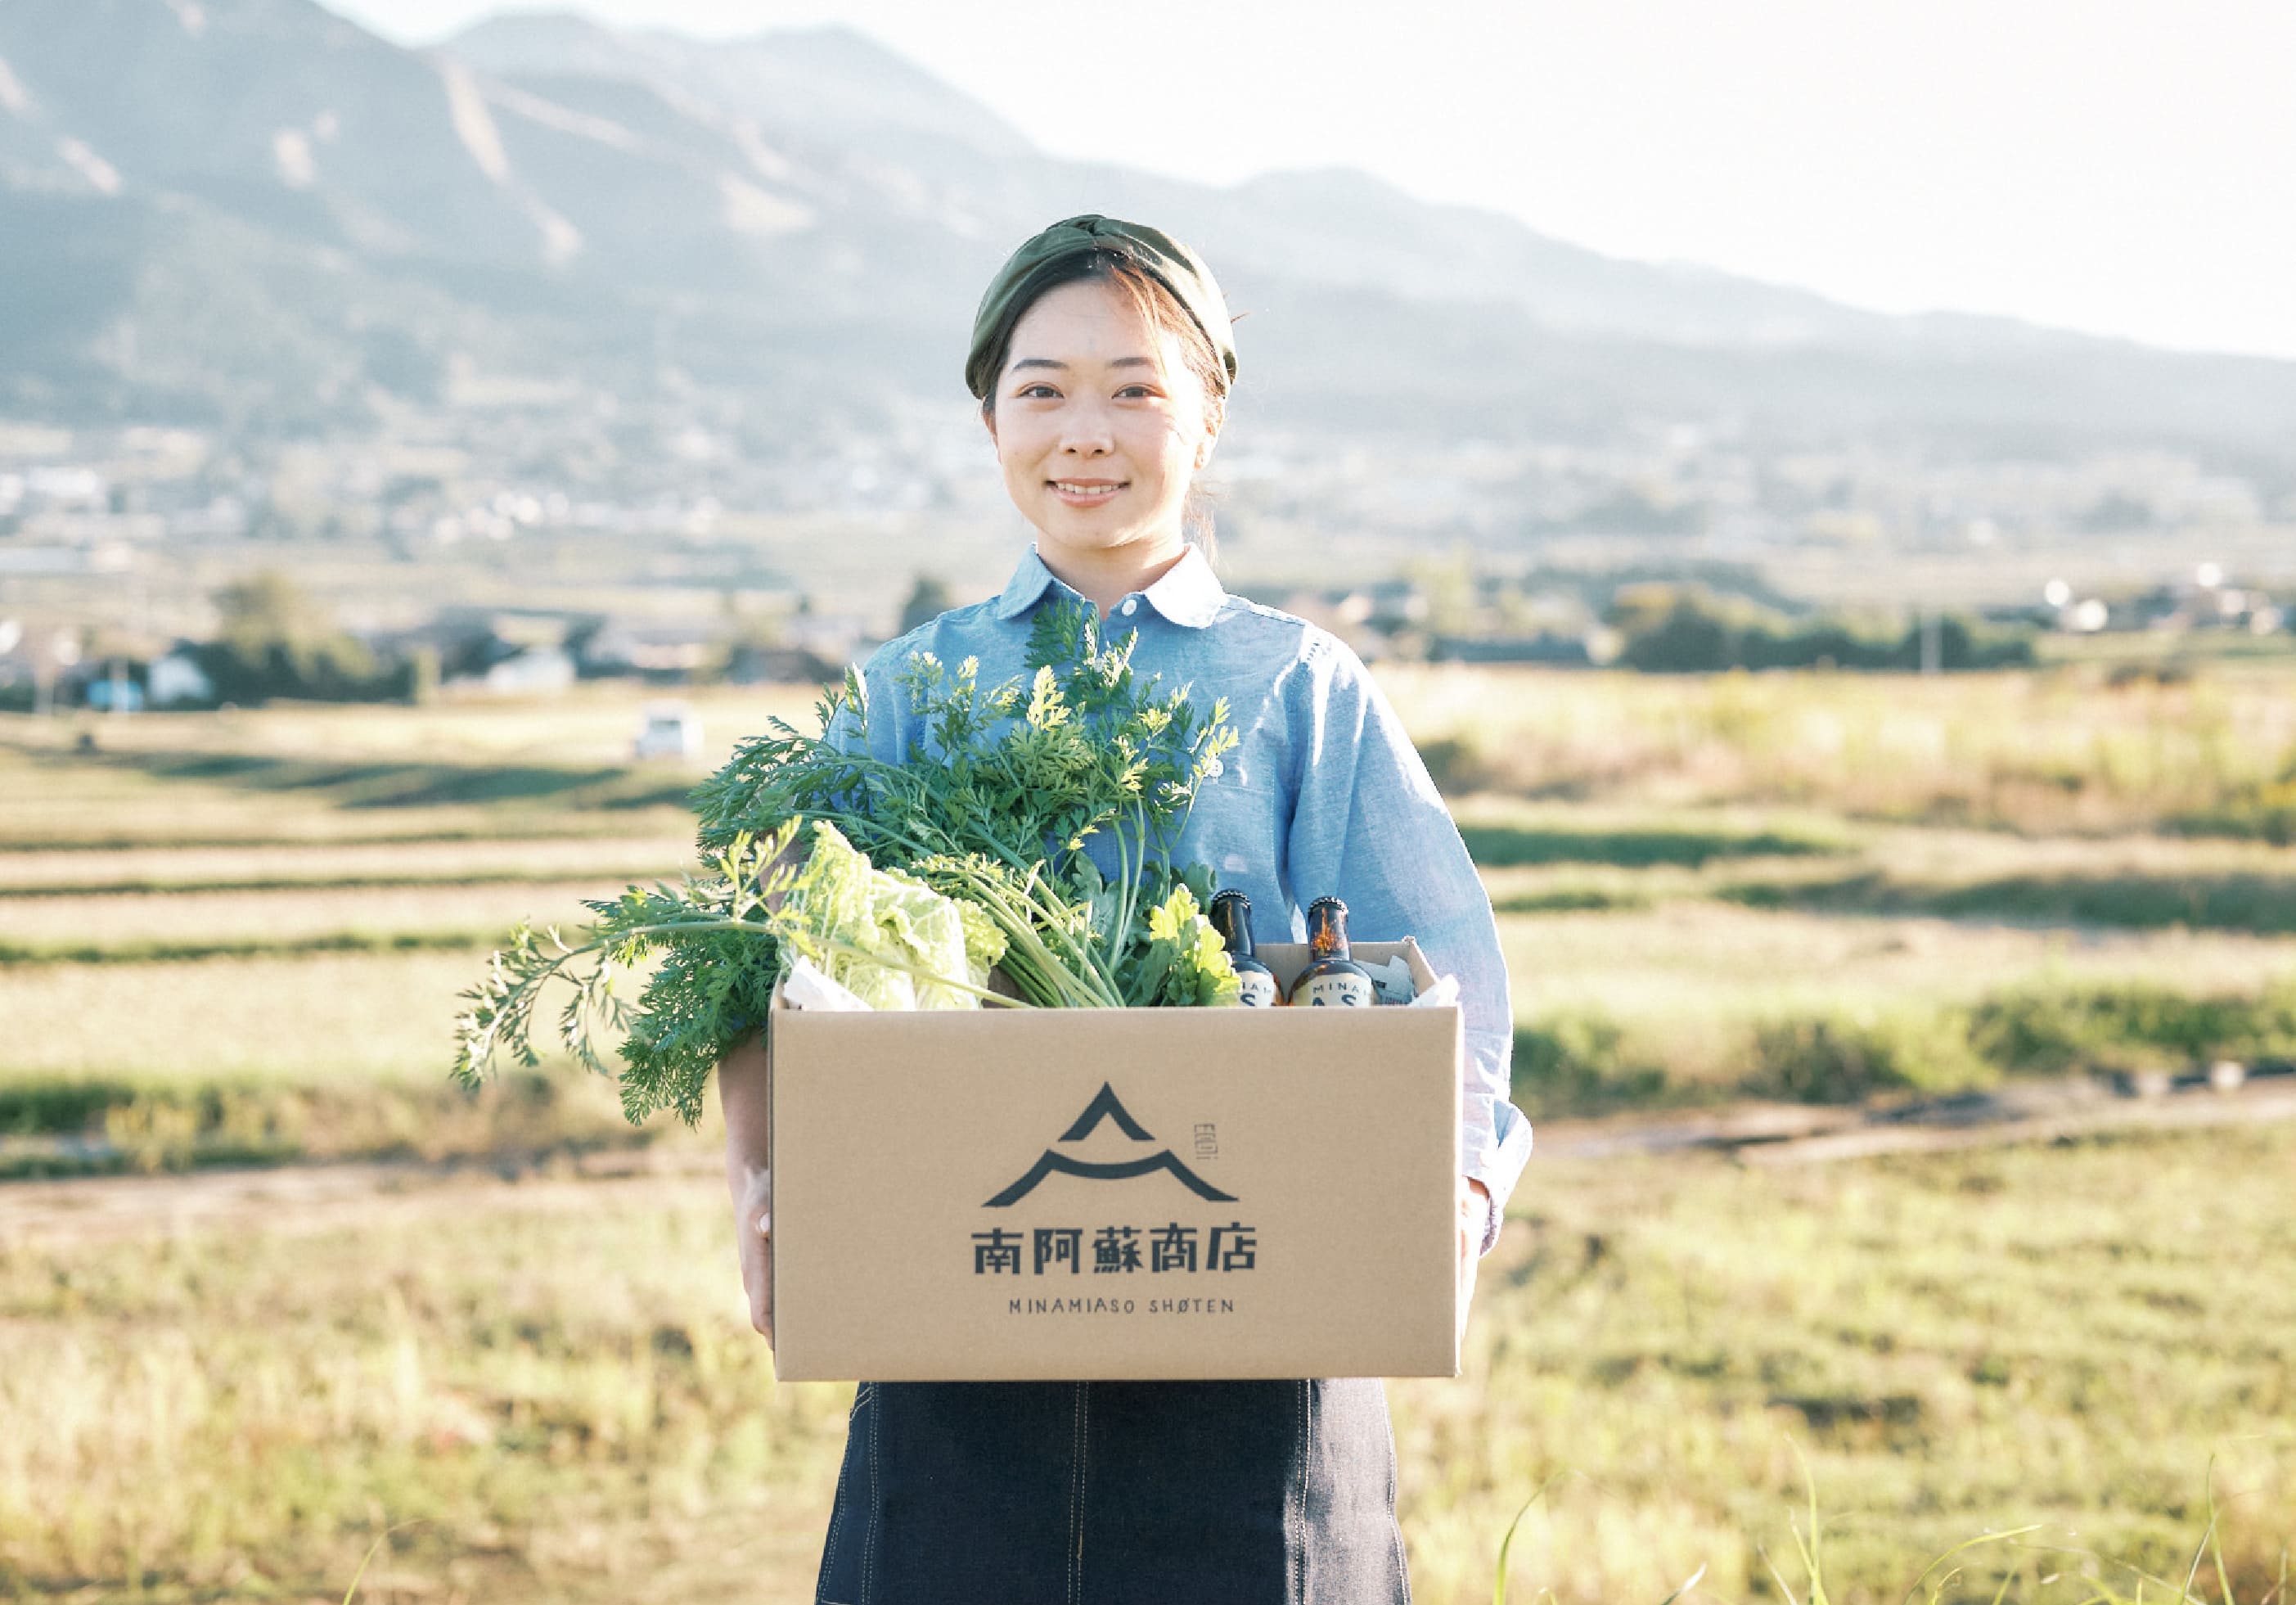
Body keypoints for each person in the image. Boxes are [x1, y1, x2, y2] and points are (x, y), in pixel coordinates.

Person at [716, 214, 1533, 1604]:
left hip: (1256, 1307)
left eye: (1135, 389)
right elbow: (781, 966)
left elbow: (1445, 981)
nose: (1083, 431)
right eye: (1041, 389)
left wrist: (1448, 1197)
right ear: (988, 420)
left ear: (1207, 416)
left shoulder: (1297, 685)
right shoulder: (914, 689)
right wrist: (761, 1172)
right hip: (963, 1302)